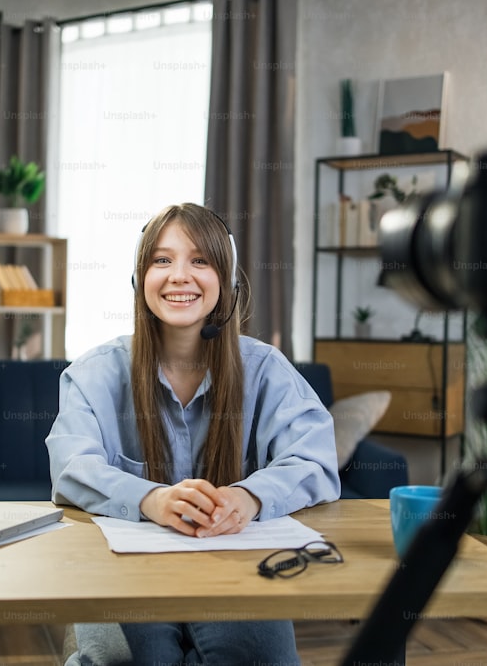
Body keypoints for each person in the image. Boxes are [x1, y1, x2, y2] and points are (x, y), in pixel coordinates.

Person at [46, 202, 340, 665]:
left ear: (228, 281)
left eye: (199, 260)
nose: (179, 275)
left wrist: (249, 498)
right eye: (162, 260)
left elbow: (314, 461)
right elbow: (71, 467)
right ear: (139, 280)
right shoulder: (94, 373)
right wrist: (151, 500)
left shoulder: (266, 369)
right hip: (127, 568)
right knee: (116, 660)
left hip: (235, 568)